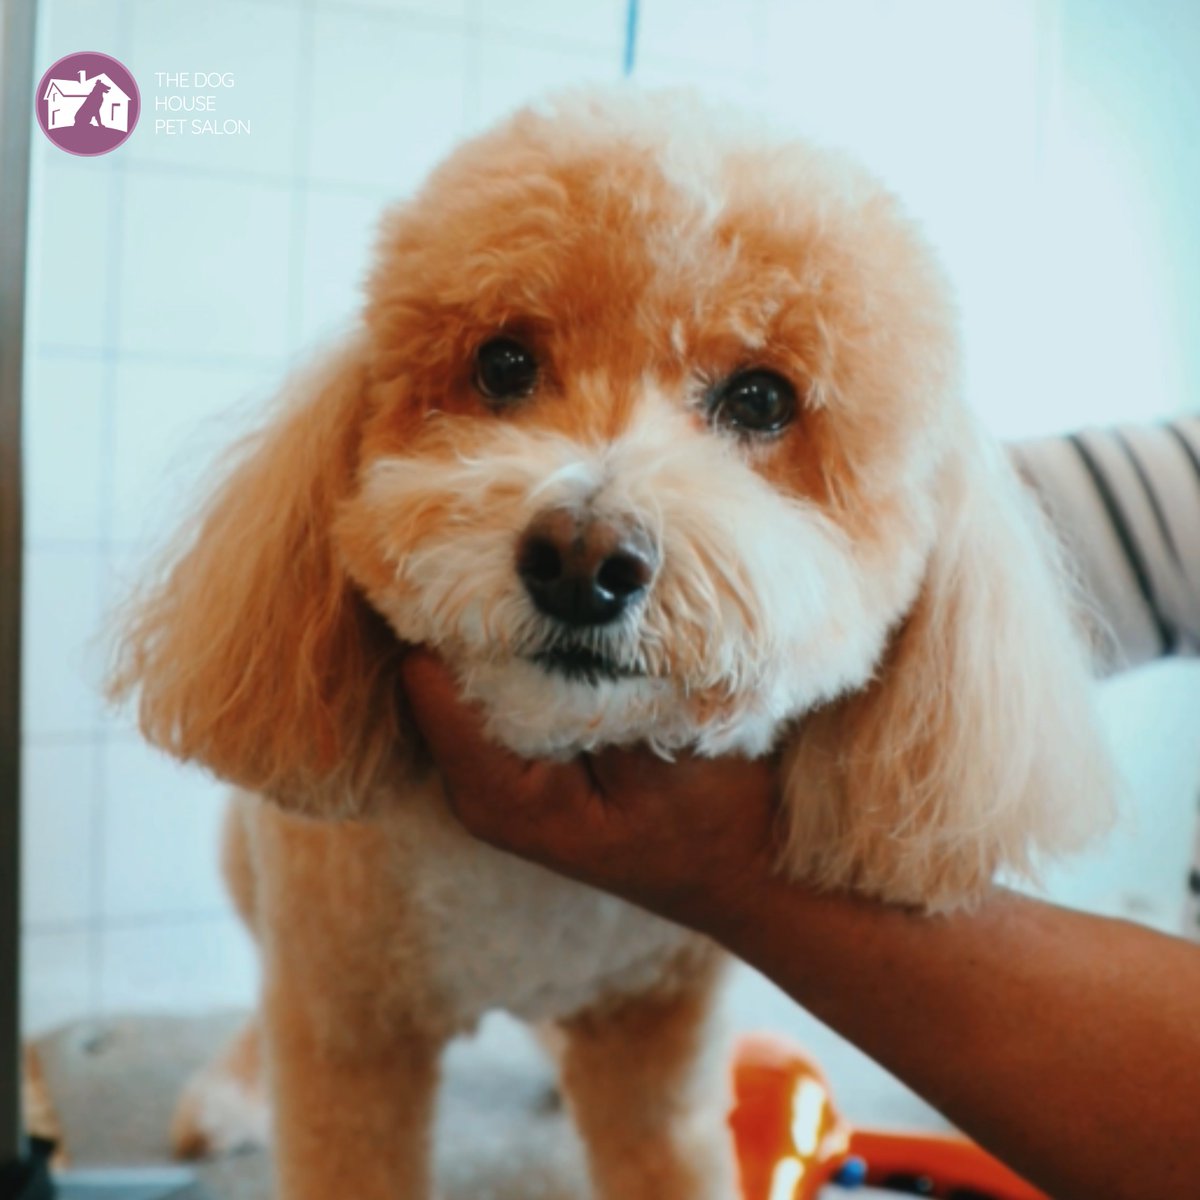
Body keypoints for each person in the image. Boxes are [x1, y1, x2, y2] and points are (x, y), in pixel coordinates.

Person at [400, 418, 1200, 1200]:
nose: (589, 538)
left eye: (756, 403)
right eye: (508, 372)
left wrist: (740, 870)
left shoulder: (966, 542)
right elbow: (877, 528)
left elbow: (900, 553)